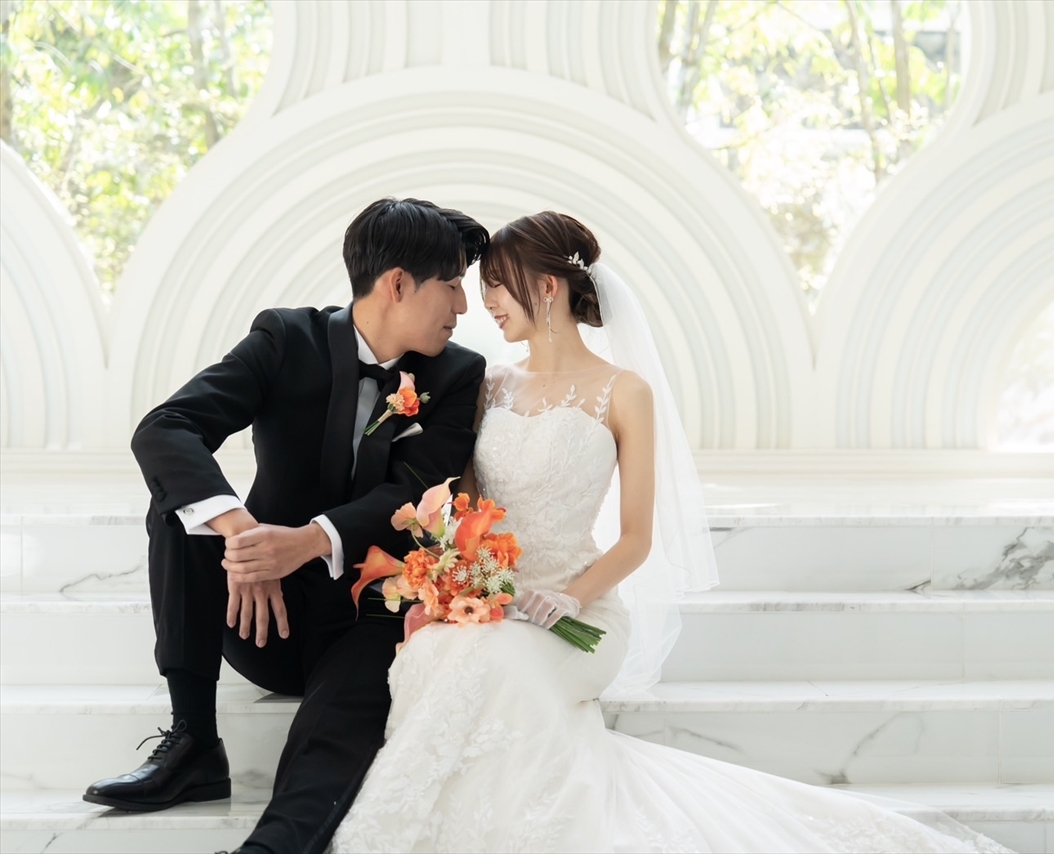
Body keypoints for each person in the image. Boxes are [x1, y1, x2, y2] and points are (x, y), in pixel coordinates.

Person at [331, 211, 1007, 853]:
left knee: (497, 662)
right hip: (494, 605)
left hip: (581, 617)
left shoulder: (625, 392)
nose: (485, 303)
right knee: (443, 651)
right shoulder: (491, 385)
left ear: (547, 286)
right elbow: (470, 505)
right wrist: (462, 582)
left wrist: (567, 597)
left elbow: (636, 539)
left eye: (497, 286)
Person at [83, 198, 489, 854]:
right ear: (397, 284)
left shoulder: (457, 374)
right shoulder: (285, 338)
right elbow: (166, 428)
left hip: (369, 616)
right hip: (260, 617)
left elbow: (414, 491)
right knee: (179, 510)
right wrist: (243, 534)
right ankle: (193, 741)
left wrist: (305, 542)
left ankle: (269, 850)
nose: (463, 306)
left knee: (339, 722)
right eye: (452, 284)